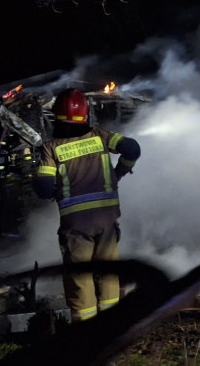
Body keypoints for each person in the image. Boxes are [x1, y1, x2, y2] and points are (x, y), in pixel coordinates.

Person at [34, 88, 140, 323]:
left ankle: (86, 332)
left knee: (80, 278)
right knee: (108, 274)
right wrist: (118, 173)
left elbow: (43, 189)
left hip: (76, 226)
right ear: (85, 113)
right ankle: (111, 327)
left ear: (57, 116)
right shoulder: (101, 137)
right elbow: (133, 149)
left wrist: (52, 187)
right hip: (107, 220)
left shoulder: (52, 148)